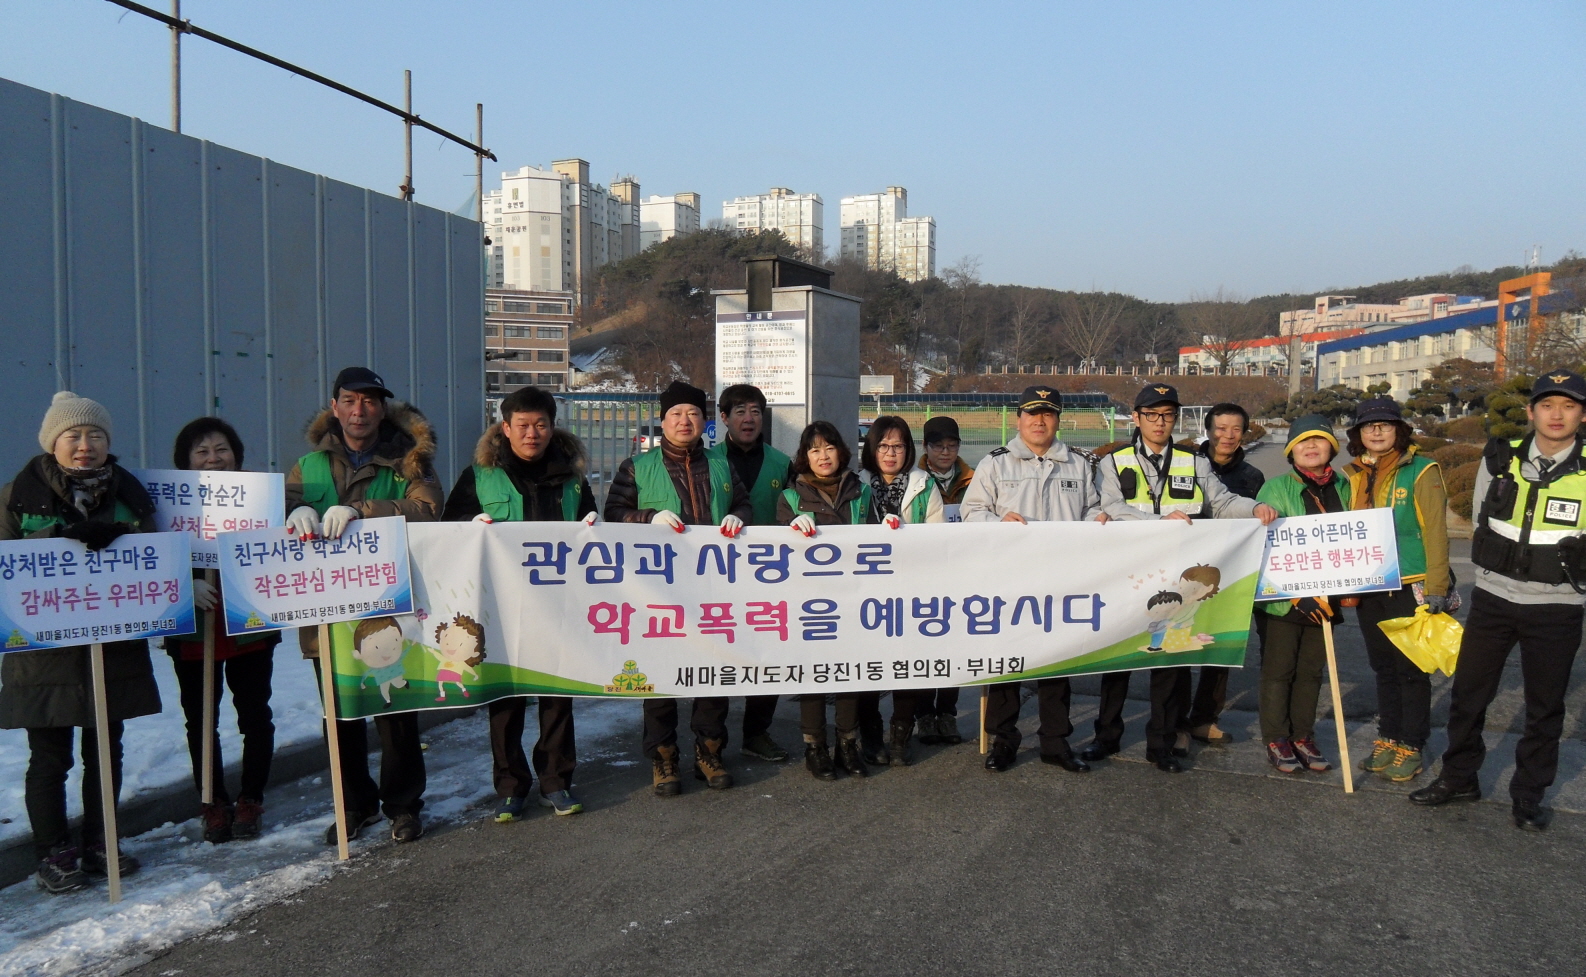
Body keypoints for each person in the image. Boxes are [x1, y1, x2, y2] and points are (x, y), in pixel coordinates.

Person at [1, 392, 162, 893]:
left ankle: (101, 841)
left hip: (112, 646)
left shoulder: (129, 494)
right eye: (73, 435)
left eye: (95, 435)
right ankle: (53, 852)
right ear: (53, 442)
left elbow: (151, 555)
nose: (85, 445)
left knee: (105, 750)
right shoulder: (15, 495)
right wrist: (64, 535)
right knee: (50, 756)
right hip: (42, 651)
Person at [1411, 368, 1586, 830]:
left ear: (1581, 415)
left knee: (1545, 707)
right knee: (1469, 697)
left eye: (1568, 406)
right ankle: (1459, 776)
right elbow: (1480, 520)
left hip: (1557, 607)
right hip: (1492, 599)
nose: (1557, 415)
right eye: (1548, 405)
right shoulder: (1499, 457)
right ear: (1531, 411)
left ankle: (1528, 794)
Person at [283, 367, 443, 845]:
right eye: (350, 401)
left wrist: (362, 512)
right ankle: (353, 805)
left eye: (370, 402)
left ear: (382, 409)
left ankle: (403, 805)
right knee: (341, 715)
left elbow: (429, 509)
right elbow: (273, 521)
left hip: (387, 612)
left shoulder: (409, 460)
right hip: (326, 618)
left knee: (395, 713)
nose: (359, 411)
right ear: (334, 408)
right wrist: (292, 513)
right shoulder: (307, 467)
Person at [1086, 384, 1277, 773]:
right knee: (1117, 658)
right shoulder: (1113, 460)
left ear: (1176, 419)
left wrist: (1255, 507)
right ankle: (1106, 737)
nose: (1160, 422)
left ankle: (1162, 742)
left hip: (1175, 576)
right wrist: (1159, 522)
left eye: (1167, 415)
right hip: (1127, 572)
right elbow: (1112, 507)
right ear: (1136, 418)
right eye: (1152, 414)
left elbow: (1221, 502)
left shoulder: (1194, 461)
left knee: (1169, 659)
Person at [442, 386, 596, 821]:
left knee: (557, 696)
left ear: (553, 426)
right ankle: (510, 785)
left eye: (541, 424)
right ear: (504, 428)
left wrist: (593, 524)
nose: (533, 433)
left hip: (558, 604)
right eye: (523, 425)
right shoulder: (480, 476)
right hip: (501, 608)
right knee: (506, 700)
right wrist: (470, 526)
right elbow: (448, 529)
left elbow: (591, 526)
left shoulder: (572, 477)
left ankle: (556, 780)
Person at [605, 379, 752, 796]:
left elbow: (742, 503)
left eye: (692, 413)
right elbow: (614, 512)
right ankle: (664, 757)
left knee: (713, 671)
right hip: (659, 591)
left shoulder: (722, 465)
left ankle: (710, 750)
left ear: (704, 421)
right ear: (663, 420)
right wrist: (647, 517)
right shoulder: (637, 467)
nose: (684, 421)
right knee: (661, 673)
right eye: (675, 414)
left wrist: (740, 516)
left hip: (713, 587)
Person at [961, 386, 1104, 774]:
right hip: (1011, 581)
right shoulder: (996, 464)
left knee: (1057, 666)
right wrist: (997, 520)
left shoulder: (1078, 464)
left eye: (1048, 414)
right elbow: (971, 513)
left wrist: (1097, 520)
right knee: (1008, 662)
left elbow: (1092, 509)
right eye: (1031, 413)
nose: (1039, 421)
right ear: (1019, 418)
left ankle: (1055, 743)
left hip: (1062, 580)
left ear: (1058, 419)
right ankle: (1004, 741)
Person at [164, 417, 281, 844]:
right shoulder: (166, 503)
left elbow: (277, 543)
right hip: (194, 628)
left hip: (248, 625)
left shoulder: (257, 498)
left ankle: (251, 797)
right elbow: (150, 553)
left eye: (221, 449)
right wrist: (182, 581)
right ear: (186, 461)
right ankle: (213, 801)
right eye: (202, 451)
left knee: (255, 715)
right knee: (200, 720)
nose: (214, 458)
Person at [1342, 397, 1450, 783]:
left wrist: (1436, 585)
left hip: (1409, 583)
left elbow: (1436, 530)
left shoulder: (1422, 470)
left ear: (1399, 430)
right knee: (1383, 667)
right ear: (1357, 434)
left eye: (1385, 425)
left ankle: (1412, 743)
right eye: (1368, 426)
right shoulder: (1353, 473)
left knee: (1411, 670)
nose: (1376, 431)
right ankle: (1387, 736)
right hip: (1371, 583)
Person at [775, 420, 876, 780]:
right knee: (813, 674)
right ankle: (814, 746)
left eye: (829, 448)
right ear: (804, 456)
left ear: (841, 452)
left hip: (853, 600)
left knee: (850, 673)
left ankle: (848, 744)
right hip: (810, 604)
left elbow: (878, 542)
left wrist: (893, 529)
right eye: (814, 450)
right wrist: (790, 530)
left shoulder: (862, 493)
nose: (823, 456)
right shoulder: (790, 498)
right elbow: (775, 555)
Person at [1253, 415, 1350, 774]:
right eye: (1303, 442)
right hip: (1283, 600)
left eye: (1320, 441)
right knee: (1279, 670)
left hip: (1327, 598)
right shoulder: (1276, 488)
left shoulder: (1344, 486)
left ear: (1332, 448)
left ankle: (1303, 735)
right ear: (1291, 450)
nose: (1311, 447)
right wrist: (1296, 595)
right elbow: (1267, 546)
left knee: (1311, 671)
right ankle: (1277, 737)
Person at [706, 383, 794, 764]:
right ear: (724, 418)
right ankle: (711, 739)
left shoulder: (781, 462)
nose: (749, 418)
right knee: (718, 654)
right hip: (718, 575)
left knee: (767, 652)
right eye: (739, 411)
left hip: (771, 576)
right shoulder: (708, 461)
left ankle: (757, 732)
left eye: (756, 411)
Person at [855, 416, 945, 766]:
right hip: (866, 594)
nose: (890, 453)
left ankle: (901, 735)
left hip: (911, 590)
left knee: (908, 667)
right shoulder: (856, 484)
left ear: (908, 450)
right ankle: (872, 737)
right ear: (871, 449)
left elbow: (938, 540)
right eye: (882, 446)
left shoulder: (925, 485)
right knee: (866, 669)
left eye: (898, 446)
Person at [1180, 403, 1266, 749]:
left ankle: (1204, 719)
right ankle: (1177, 723)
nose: (1227, 435)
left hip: (1229, 571)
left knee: (1220, 646)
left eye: (1235, 429)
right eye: (1220, 428)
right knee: (1181, 644)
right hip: (1186, 570)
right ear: (1207, 428)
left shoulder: (1252, 477)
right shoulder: (1186, 466)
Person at [915, 415, 975, 745]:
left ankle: (947, 714)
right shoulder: (914, 480)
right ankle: (924, 714)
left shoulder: (973, 479)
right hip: (923, 576)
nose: (946, 452)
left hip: (961, 575)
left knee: (955, 647)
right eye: (938, 446)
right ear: (925, 447)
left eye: (952, 446)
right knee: (925, 645)